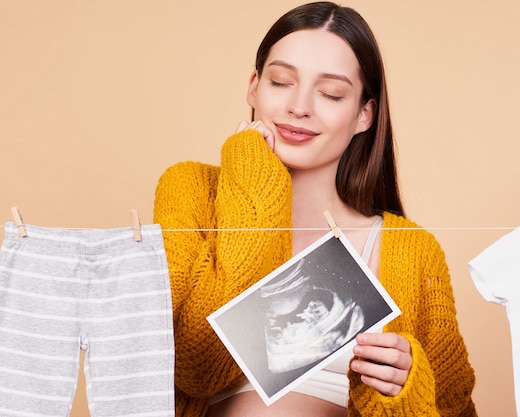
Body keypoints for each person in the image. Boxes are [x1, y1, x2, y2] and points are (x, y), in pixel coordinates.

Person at [153, 2, 477, 416]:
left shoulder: (409, 250)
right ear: (253, 86)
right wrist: (256, 183)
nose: (299, 106)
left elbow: (455, 408)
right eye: (281, 82)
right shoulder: (191, 192)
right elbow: (195, 365)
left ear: (364, 114)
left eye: (330, 93)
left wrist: (402, 392)